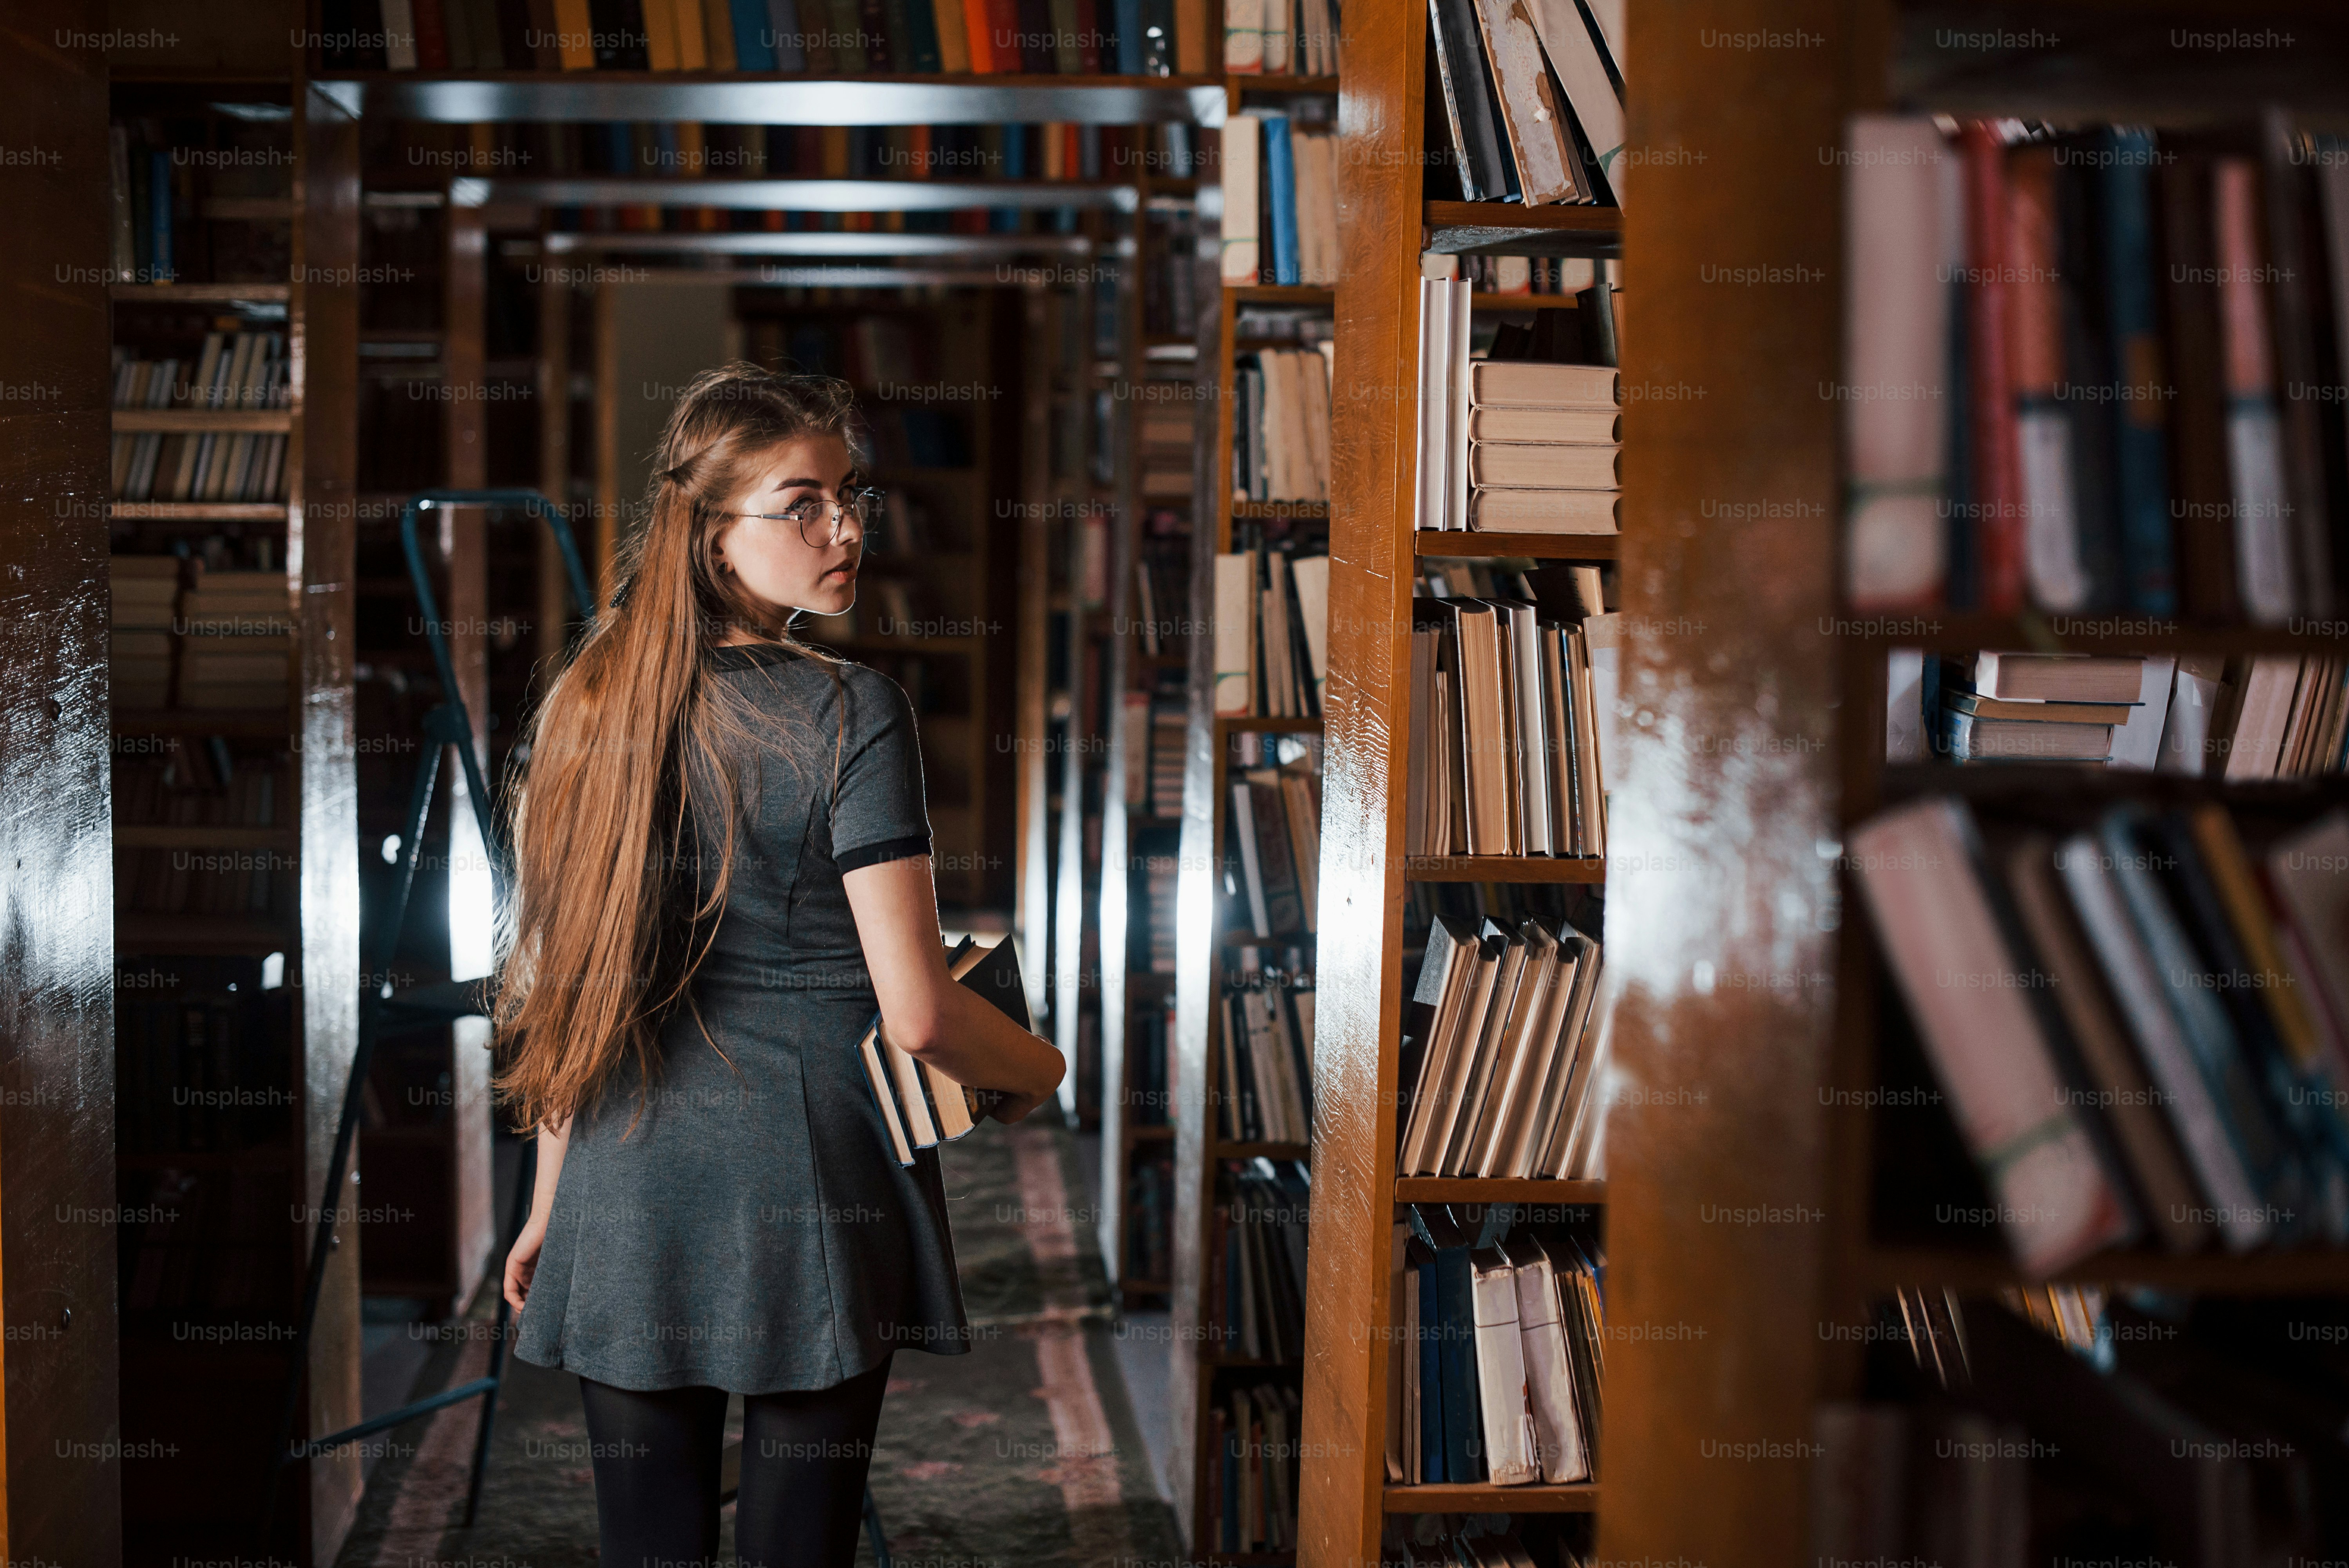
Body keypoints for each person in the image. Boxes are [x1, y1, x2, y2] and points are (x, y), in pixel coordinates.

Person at [494, 364, 1064, 1568]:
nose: (846, 528)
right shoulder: (854, 712)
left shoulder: (584, 702)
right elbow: (920, 1014)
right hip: (811, 1177)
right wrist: (1039, 1067)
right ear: (712, 536)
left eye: (850, 496)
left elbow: (564, 985)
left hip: (622, 1175)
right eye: (802, 504)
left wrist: (552, 1200)